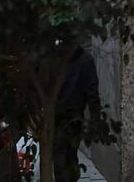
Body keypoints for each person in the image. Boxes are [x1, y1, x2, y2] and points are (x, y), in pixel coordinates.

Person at [54, 46, 101, 182]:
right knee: (68, 156)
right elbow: (92, 93)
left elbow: (92, 93)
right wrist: (95, 118)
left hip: (61, 116)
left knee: (61, 158)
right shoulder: (85, 60)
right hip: (74, 116)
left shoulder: (57, 57)